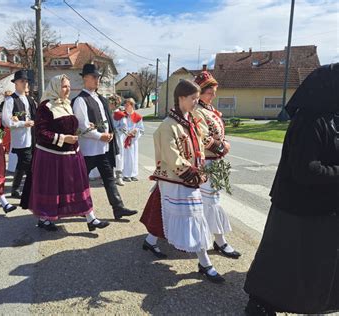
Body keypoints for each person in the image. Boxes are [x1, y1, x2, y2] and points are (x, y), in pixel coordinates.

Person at [244, 64, 339, 315]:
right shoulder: (309, 122)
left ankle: (309, 301)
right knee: (283, 260)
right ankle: (262, 303)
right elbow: (305, 170)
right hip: (297, 208)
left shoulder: (331, 118)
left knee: (311, 264)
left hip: (322, 209)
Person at [140, 79, 225, 283]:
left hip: (186, 179)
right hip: (178, 179)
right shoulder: (168, 126)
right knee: (194, 219)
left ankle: (150, 241)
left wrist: (214, 153)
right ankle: (205, 264)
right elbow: (171, 156)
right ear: (181, 98)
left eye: (197, 98)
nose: (197, 102)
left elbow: (200, 146)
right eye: (193, 98)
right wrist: (192, 173)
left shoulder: (190, 122)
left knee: (166, 212)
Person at [21, 74, 110, 232]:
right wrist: (63, 138)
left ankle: (91, 218)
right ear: (55, 87)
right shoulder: (45, 107)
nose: (67, 89)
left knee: (78, 185)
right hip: (51, 156)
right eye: (64, 86)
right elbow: (41, 133)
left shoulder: (67, 105)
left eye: (68, 86)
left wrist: (81, 130)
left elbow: (68, 127)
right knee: (52, 188)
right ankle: (44, 217)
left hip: (71, 154)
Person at [72, 64, 137, 220]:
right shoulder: (80, 100)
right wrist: (99, 135)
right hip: (88, 150)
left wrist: (109, 134)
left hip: (103, 148)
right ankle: (78, 207)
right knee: (80, 182)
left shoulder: (100, 98)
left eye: (98, 77)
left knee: (109, 178)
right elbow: (83, 125)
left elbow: (106, 120)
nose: (97, 80)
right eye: (94, 77)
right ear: (85, 78)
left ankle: (118, 208)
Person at [192, 71, 241, 259]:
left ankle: (214, 240)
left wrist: (223, 145)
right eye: (209, 92)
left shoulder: (209, 109)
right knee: (210, 202)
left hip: (215, 162)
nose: (213, 95)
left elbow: (218, 132)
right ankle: (218, 241)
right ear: (200, 92)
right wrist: (222, 147)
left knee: (213, 201)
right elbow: (202, 138)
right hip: (206, 162)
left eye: (214, 92)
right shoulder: (197, 110)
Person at [2, 70, 37, 199]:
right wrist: (22, 123)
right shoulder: (11, 100)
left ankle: (16, 189)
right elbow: (6, 120)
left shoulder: (29, 99)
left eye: (26, 81)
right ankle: (30, 190)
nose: (25, 83)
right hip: (21, 138)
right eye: (22, 81)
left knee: (23, 164)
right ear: (16, 83)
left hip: (31, 137)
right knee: (27, 163)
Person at [120, 98, 144, 182]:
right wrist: (125, 132)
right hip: (124, 140)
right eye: (125, 105)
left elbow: (141, 129)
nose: (125, 107)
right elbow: (119, 127)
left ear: (132, 105)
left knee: (133, 157)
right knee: (125, 157)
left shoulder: (138, 117)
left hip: (133, 141)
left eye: (127, 105)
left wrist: (136, 131)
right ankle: (125, 174)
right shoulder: (122, 115)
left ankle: (133, 174)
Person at [110, 94, 126, 186]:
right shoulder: (108, 113)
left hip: (117, 139)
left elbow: (124, 127)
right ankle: (110, 177)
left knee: (118, 156)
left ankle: (119, 176)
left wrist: (115, 130)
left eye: (111, 103)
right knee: (109, 156)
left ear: (115, 104)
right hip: (109, 138)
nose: (109, 104)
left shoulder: (120, 115)